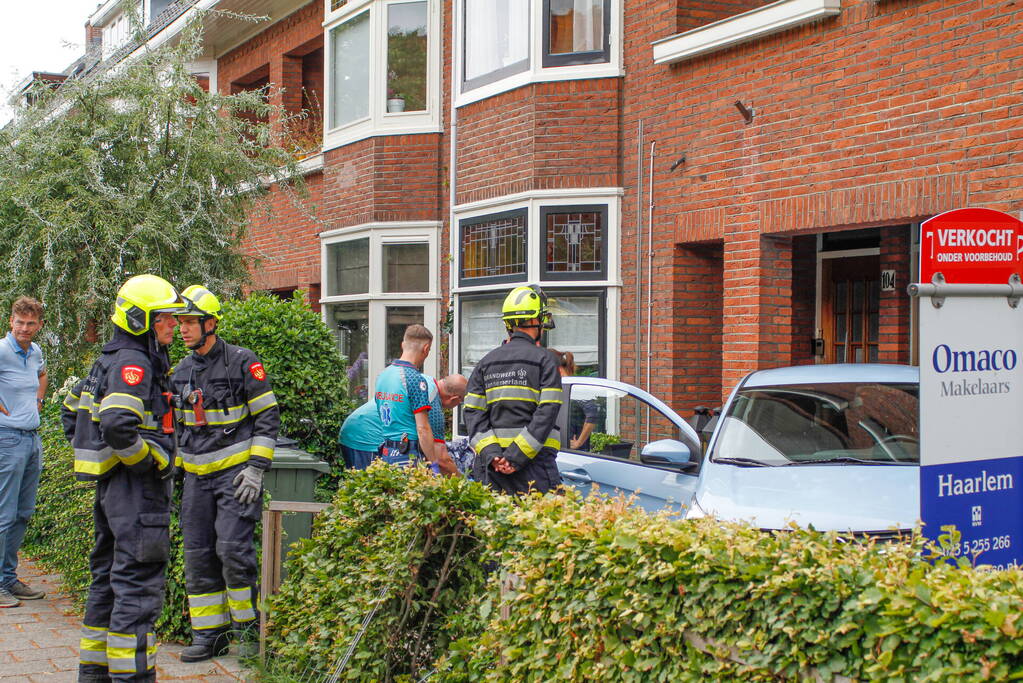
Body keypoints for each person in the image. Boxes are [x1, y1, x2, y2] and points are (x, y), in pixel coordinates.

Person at [62, 275, 185, 683]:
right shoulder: (135, 362)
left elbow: (71, 412)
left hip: (112, 491)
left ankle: (94, 675)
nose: (173, 324)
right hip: (137, 494)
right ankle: (133, 677)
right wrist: (148, 462)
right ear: (140, 320)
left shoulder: (109, 358)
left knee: (107, 582)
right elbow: (117, 424)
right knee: (137, 588)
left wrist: (106, 462)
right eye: (165, 317)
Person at [169, 285, 280, 663]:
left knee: (234, 553)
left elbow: (267, 418)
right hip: (196, 482)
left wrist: (256, 469)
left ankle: (247, 633)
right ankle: (209, 636)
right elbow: (177, 430)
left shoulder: (242, 362)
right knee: (198, 556)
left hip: (236, 479)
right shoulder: (180, 371)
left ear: (211, 324)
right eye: (180, 322)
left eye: (190, 322)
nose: (183, 329)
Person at [463, 285, 563, 494]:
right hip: (535, 467)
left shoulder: (485, 363)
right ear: (536, 321)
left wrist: (493, 456)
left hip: (492, 471)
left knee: (494, 515)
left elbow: (472, 413)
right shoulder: (545, 361)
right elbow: (547, 412)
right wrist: (515, 457)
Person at [0, 296, 47, 608]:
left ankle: (8, 578)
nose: (25, 328)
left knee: (23, 513)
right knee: (4, 514)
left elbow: (42, 375)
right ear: (11, 322)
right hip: (6, 439)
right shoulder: (2, 350)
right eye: (20, 322)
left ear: (39, 325)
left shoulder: (35, 351)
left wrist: (38, 400)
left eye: (31, 323)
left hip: (31, 440)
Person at [340, 373, 467, 475]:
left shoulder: (425, 381)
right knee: (372, 490)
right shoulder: (432, 403)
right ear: (454, 399)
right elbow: (441, 459)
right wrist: (463, 483)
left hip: (355, 426)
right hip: (366, 437)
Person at [374, 325, 450, 473]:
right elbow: (423, 429)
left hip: (387, 452)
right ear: (426, 349)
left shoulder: (382, 375)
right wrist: (434, 464)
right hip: (408, 455)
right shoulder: (415, 379)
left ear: (403, 345)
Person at [549, 349, 598, 451]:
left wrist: (578, 443)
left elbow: (592, 416)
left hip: (573, 452)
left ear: (558, 369)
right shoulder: (562, 387)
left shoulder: (574, 389)